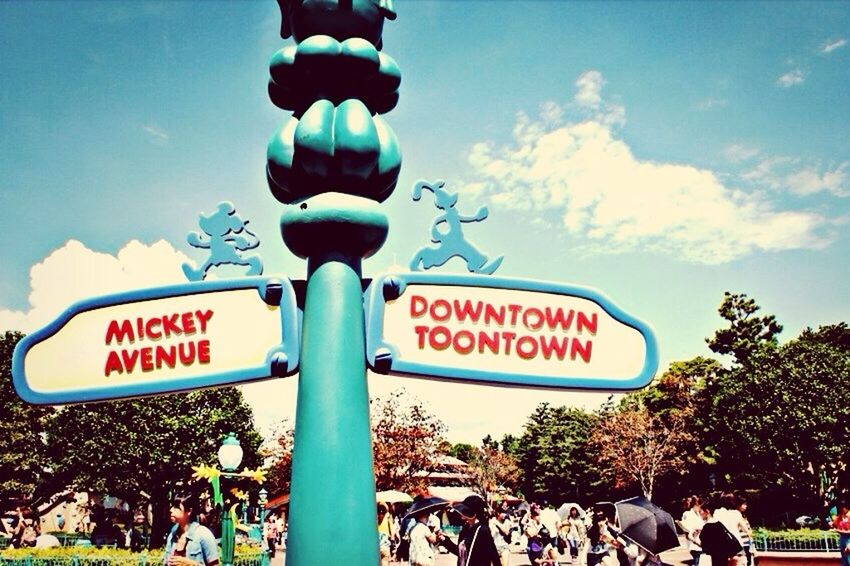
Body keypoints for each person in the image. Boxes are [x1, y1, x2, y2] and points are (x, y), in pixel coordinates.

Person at [441, 495, 501, 566]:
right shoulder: (465, 529)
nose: (461, 512)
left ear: (474, 513)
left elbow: (493, 555)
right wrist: (445, 540)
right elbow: (460, 553)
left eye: (465, 510)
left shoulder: (482, 530)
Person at [164, 494, 219, 566]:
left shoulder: (203, 534)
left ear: (189, 511)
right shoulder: (172, 536)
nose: (171, 510)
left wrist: (191, 564)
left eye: (176, 507)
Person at [697, 499, 742, 566]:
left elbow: (702, 544)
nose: (700, 513)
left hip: (714, 559)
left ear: (707, 511)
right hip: (723, 558)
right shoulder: (719, 524)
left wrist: (690, 536)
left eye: (701, 511)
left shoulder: (707, 527)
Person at [681, 496, 704, 566]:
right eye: (699, 504)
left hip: (701, 544)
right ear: (696, 504)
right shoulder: (687, 514)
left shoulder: (698, 514)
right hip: (695, 544)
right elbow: (687, 528)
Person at [736, 498, 753, 566]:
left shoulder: (743, 516)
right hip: (741, 542)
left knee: (748, 560)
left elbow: (748, 528)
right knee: (743, 561)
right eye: (744, 504)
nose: (746, 506)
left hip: (747, 542)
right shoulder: (736, 516)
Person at [832, 502, 850, 566]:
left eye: (843, 508)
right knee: (844, 557)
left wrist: (838, 530)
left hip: (849, 538)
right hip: (843, 539)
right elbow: (834, 524)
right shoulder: (840, 517)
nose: (841, 509)